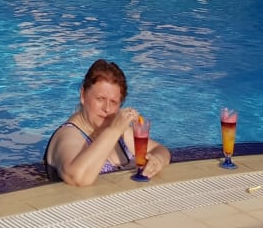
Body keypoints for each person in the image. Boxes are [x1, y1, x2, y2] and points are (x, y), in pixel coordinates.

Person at [43, 59, 171, 186]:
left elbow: (159, 149)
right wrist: (114, 131)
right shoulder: (68, 135)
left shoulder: (121, 133)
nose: (107, 108)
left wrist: (158, 160)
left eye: (114, 102)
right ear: (83, 95)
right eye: (100, 99)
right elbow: (78, 178)